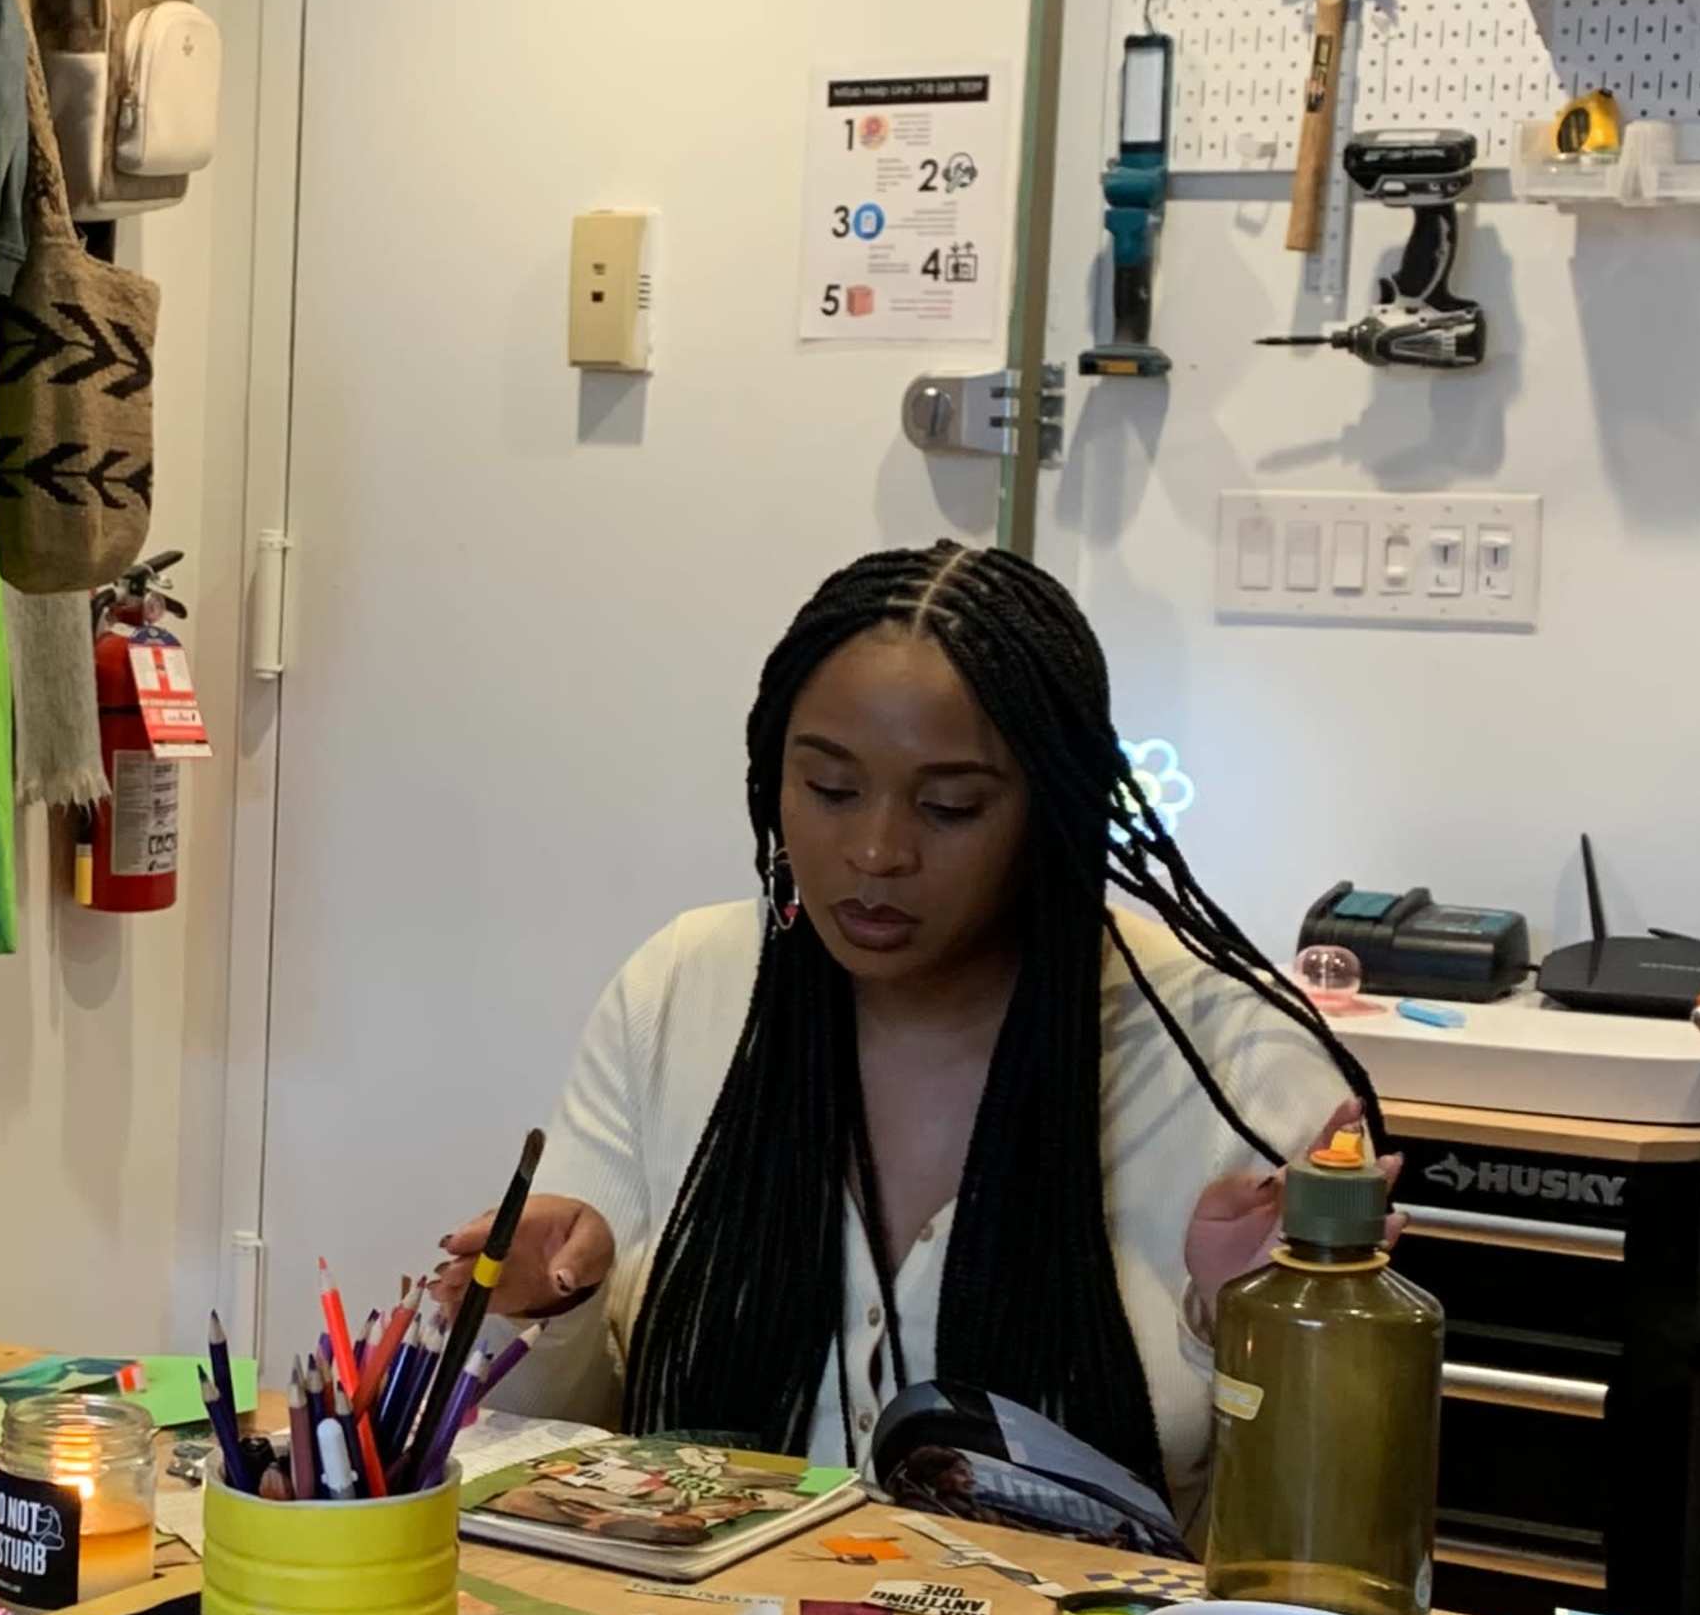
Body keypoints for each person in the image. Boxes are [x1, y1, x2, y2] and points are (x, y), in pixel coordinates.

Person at [459, 541, 1365, 1522]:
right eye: (832, 790)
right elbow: (575, 1465)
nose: (878, 850)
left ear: (1054, 810)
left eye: (950, 805)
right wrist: (550, 1315)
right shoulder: (682, 992)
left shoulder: (1232, 1061)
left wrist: (1262, 1335)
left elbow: (1318, 1546)